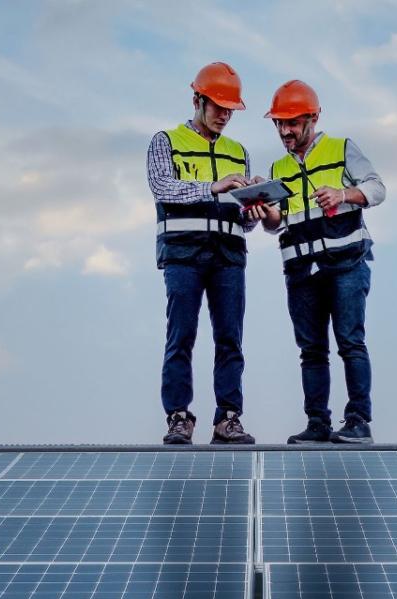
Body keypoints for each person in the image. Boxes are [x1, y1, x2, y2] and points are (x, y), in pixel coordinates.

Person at [259, 80, 386, 444]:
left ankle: (359, 421)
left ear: (312, 118)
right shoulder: (278, 167)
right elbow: (276, 224)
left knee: (350, 342)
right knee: (311, 351)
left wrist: (344, 193)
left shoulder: (341, 149)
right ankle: (318, 423)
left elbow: (377, 188)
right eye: (279, 123)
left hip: (346, 265)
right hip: (301, 273)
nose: (285, 131)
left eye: (292, 123)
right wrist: (266, 212)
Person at [146, 62, 258, 445]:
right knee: (182, 336)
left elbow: (245, 221)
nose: (225, 116)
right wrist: (212, 186)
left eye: (230, 110)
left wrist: (255, 206)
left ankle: (228, 418)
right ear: (197, 99)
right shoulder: (166, 141)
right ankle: (178, 416)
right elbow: (162, 187)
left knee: (230, 339)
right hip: (183, 256)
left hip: (228, 256)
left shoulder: (238, 152)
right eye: (218, 107)